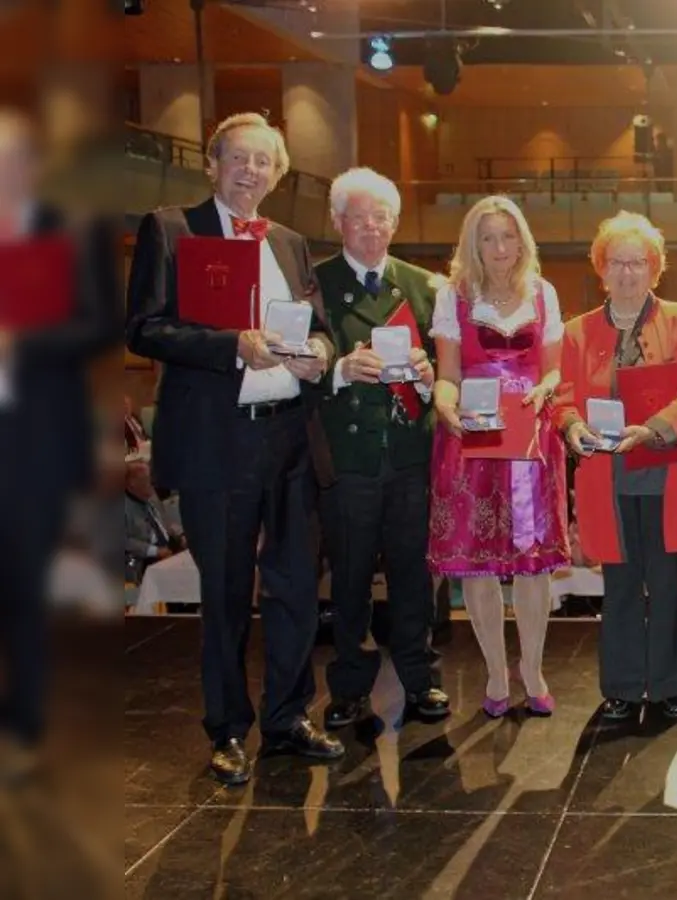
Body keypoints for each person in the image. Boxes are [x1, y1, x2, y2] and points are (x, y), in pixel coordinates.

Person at [126, 112, 344, 786]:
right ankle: (225, 729)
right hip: (219, 444)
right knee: (223, 595)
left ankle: (287, 718)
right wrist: (231, 346)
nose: (251, 172)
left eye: (264, 162)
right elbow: (144, 328)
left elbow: (325, 331)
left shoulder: (290, 241)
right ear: (214, 163)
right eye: (239, 159)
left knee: (294, 590)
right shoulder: (171, 228)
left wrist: (319, 355)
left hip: (291, 439)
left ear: (276, 175)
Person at [555, 211, 677, 723]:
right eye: (617, 262)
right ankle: (623, 688)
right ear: (602, 269)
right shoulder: (576, 332)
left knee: (666, 579)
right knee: (621, 582)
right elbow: (561, 398)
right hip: (608, 473)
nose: (628, 272)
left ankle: (670, 686)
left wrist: (652, 429)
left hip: (664, 467)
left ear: (655, 269)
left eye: (638, 262)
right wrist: (571, 425)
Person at [0, 109, 120, 781]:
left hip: (34, 444)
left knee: (24, 587)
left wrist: (19, 338)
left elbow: (99, 324)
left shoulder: (64, 234)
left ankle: (26, 724)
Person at [313, 167, 450, 729]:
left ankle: (421, 679)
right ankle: (348, 684)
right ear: (338, 222)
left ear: (395, 222)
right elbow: (296, 364)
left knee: (413, 574)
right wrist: (341, 370)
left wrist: (426, 373)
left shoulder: (424, 285)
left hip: (409, 453)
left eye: (381, 218)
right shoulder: (314, 283)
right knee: (347, 576)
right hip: (349, 459)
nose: (371, 228)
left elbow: (449, 368)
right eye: (359, 218)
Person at [428, 196, 569, 719]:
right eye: (487, 238)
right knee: (478, 566)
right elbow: (448, 375)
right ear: (473, 243)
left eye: (507, 236)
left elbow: (554, 370)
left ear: (522, 240)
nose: (499, 248)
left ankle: (531, 668)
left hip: (530, 439)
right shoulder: (454, 295)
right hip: (474, 437)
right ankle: (492, 671)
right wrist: (446, 405)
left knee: (532, 566)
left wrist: (546, 390)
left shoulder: (543, 293)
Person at [124, 458, 185, 583]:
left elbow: (164, 522)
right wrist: (156, 552)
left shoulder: (150, 494)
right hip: (142, 559)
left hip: (167, 546)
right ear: (132, 484)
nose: (153, 484)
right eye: (148, 481)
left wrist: (181, 535)